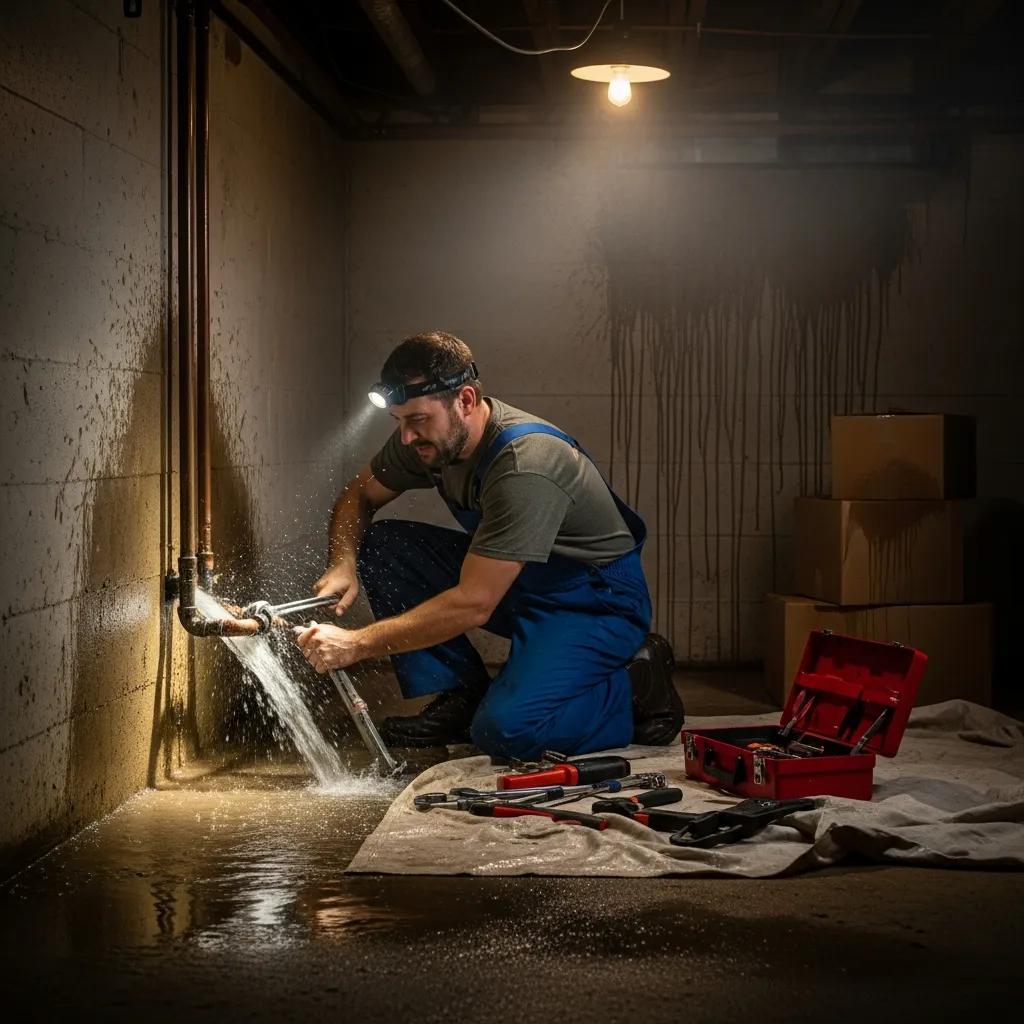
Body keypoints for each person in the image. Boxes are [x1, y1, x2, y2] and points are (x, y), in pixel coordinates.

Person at [296, 331, 683, 760]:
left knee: (507, 732)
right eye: (398, 421)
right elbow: (359, 496)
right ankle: (459, 695)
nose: (406, 438)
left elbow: (473, 603)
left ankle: (636, 682)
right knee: (384, 546)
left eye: (417, 420)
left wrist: (356, 644)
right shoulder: (428, 440)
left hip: (592, 602)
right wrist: (343, 561)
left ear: (464, 400)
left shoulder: (525, 464)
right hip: (519, 582)